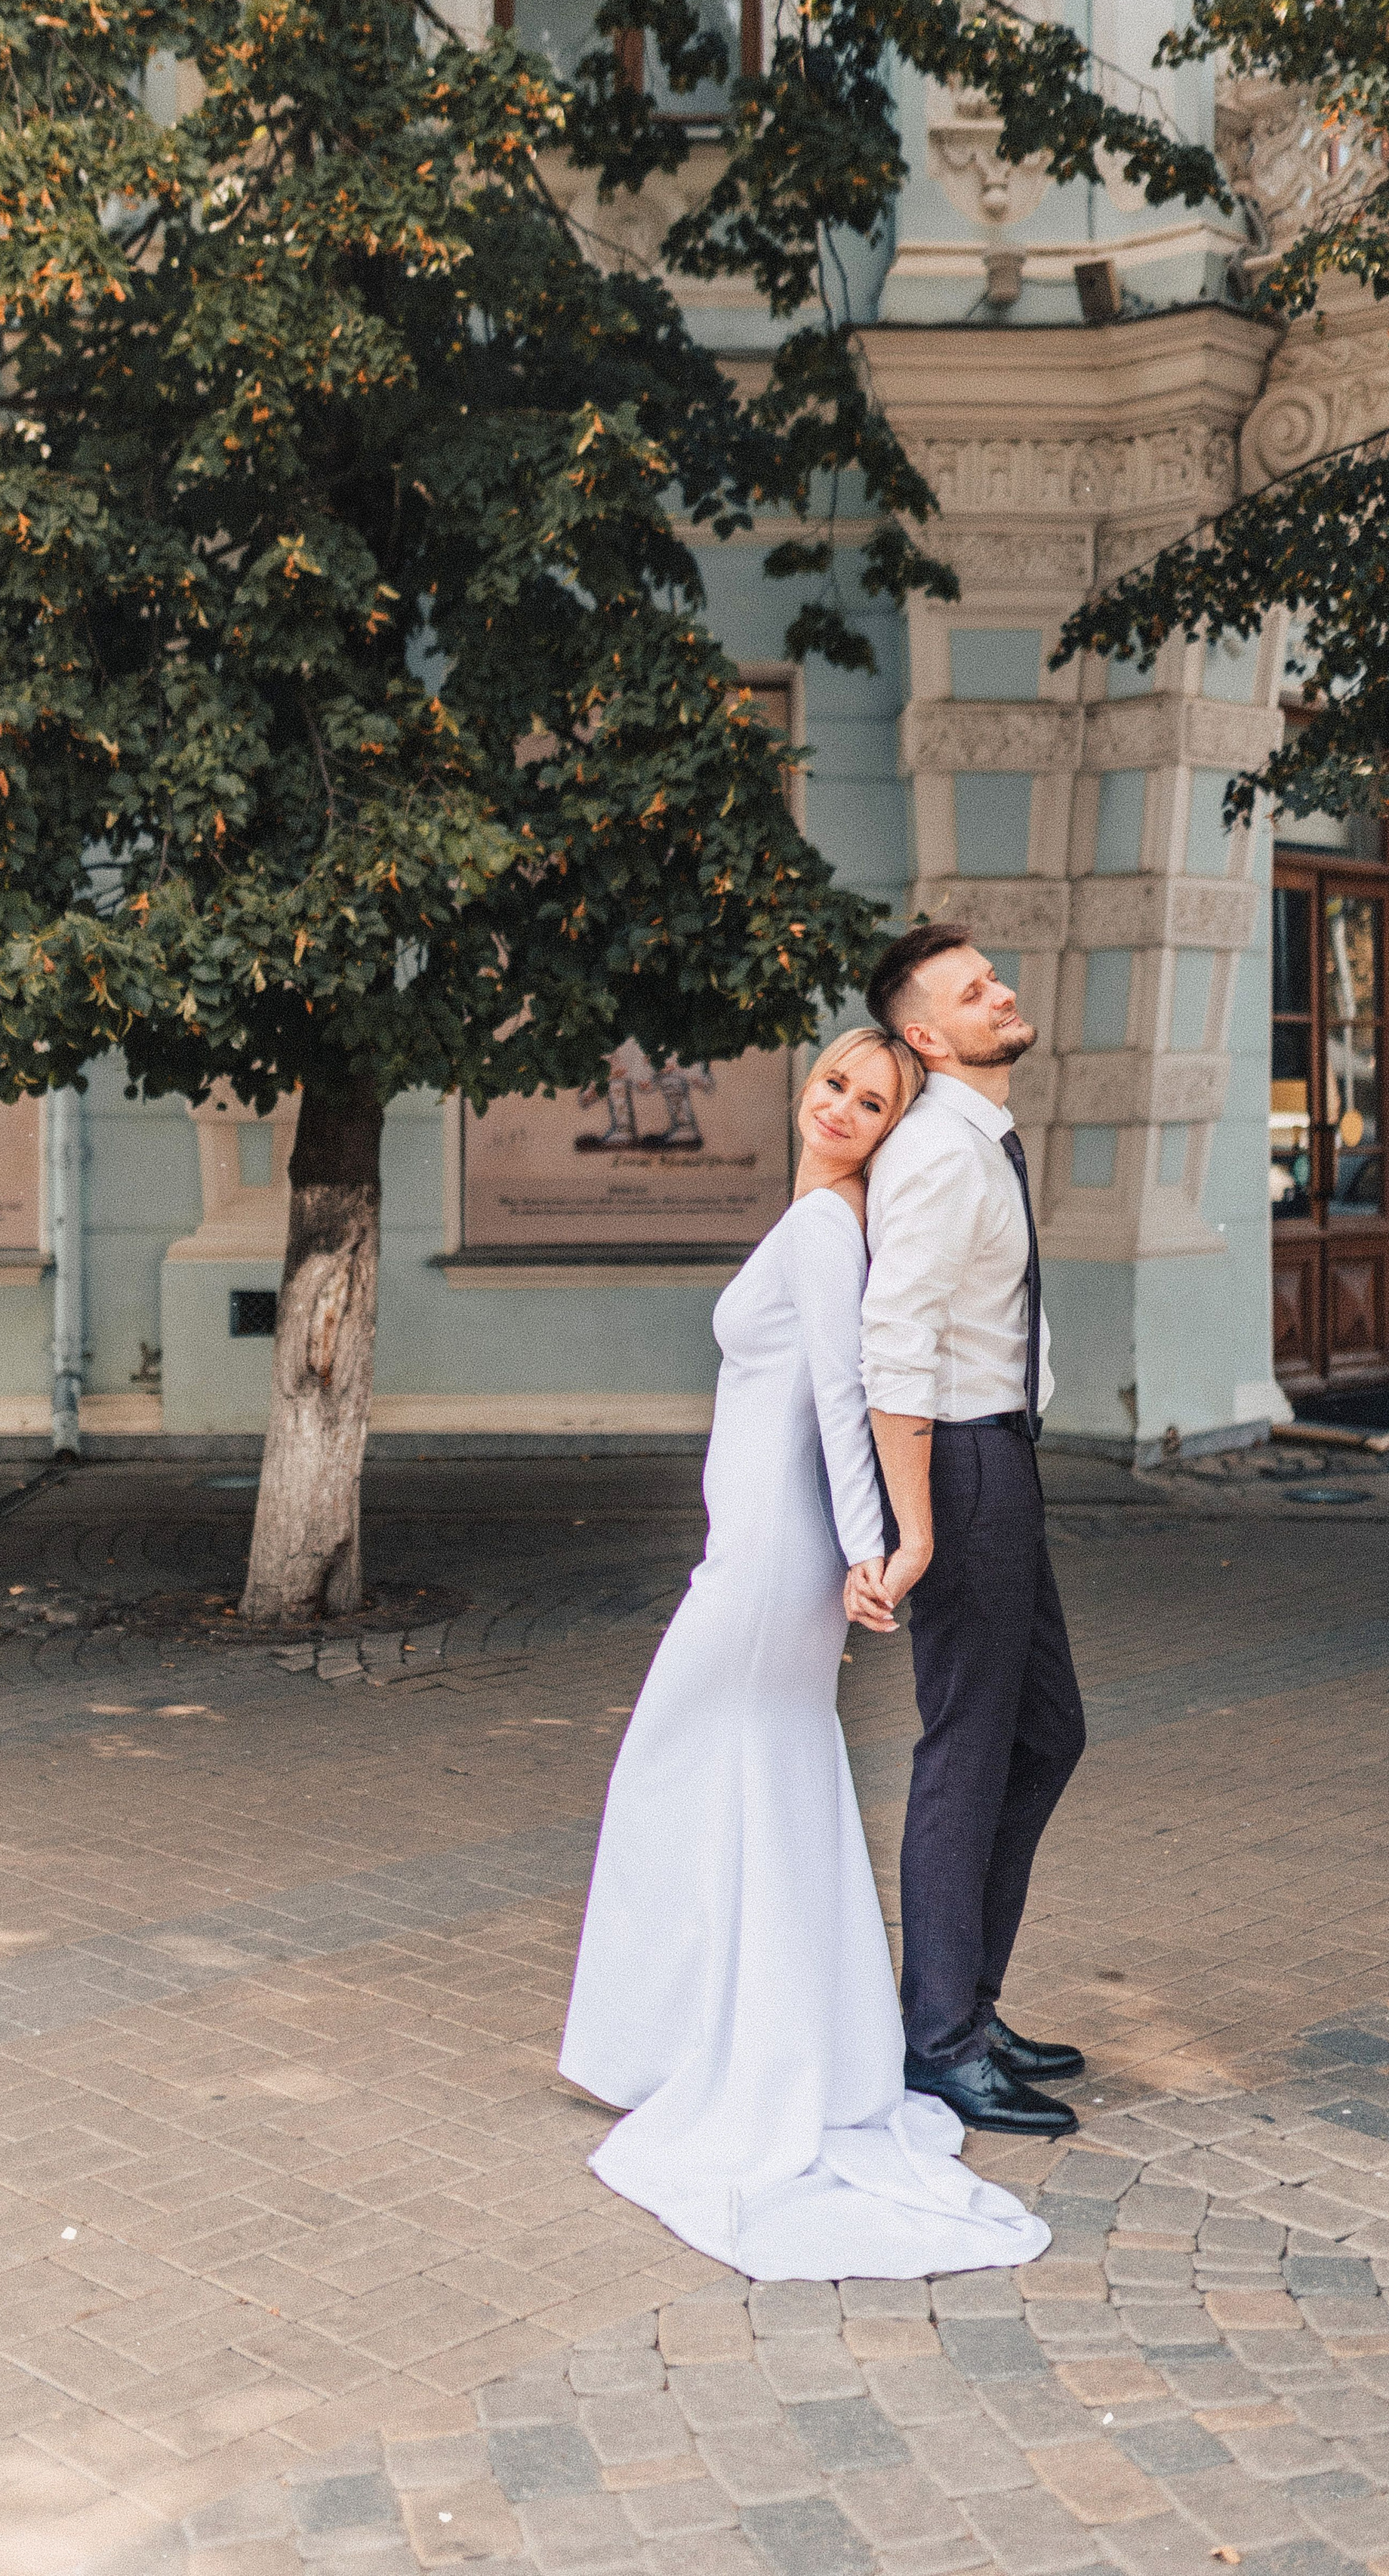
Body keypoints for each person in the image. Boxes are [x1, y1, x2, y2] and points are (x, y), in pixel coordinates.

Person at [559, 1028, 1050, 2282]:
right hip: (760, 1549)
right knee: (754, 1784)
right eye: (835, 1082)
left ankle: (708, 2050)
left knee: (685, 1770)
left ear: (893, 1133)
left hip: (777, 1563)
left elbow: (848, 1389)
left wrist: (870, 1548)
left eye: (872, 1102)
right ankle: (727, 2042)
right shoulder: (816, 1216)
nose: (840, 1107)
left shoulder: (833, 1228)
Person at [854, 924, 1088, 2138]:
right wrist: (914, 1527)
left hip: (996, 1454)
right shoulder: (941, 1156)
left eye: (994, 975)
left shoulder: (971, 1138)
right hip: (961, 1460)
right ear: (924, 1037)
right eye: (972, 990)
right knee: (970, 1746)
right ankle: (940, 2043)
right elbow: (895, 1346)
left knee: (1045, 1732)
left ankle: (967, 2007)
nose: (1003, 993)